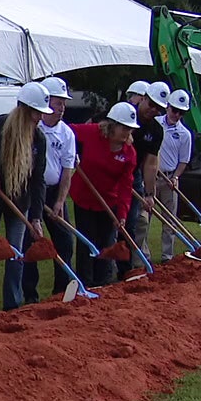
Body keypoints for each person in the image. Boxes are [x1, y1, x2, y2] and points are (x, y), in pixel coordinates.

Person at [0, 82, 51, 313]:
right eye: (37, 113)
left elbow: (38, 181)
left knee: (16, 253)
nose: (40, 118)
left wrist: (35, 218)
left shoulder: (38, 140)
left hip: (20, 202)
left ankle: (12, 305)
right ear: (23, 109)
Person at [69, 102, 140, 287]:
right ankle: (84, 283)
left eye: (130, 129)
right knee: (86, 242)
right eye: (124, 128)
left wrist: (122, 215)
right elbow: (68, 132)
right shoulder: (92, 133)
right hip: (83, 197)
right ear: (112, 125)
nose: (127, 133)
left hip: (109, 202)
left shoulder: (129, 153)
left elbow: (126, 186)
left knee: (106, 245)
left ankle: (103, 284)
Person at [23, 75, 77, 300]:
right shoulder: (32, 128)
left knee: (64, 241)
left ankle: (61, 291)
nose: (61, 108)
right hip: (31, 190)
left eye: (64, 103)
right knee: (30, 244)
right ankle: (30, 295)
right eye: (57, 102)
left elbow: (67, 170)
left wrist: (59, 201)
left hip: (54, 191)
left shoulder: (67, 134)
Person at [119, 80, 168, 275]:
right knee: (110, 224)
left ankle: (126, 269)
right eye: (152, 105)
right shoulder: (122, 112)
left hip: (133, 175)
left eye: (159, 109)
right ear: (143, 98)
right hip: (111, 173)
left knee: (132, 223)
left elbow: (150, 163)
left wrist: (150, 193)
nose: (153, 110)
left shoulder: (156, 130)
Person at [156, 89, 194, 263]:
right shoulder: (154, 124)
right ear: (167, 107)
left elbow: (183, 161)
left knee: (170, 221)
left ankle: (167, 257)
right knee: (142, 219)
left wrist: (176, 177)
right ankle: (141, 258)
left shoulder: (185, 134)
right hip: (152, 176)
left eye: (181, 112)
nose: (177, 115)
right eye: (174, 110)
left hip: (170, 178)